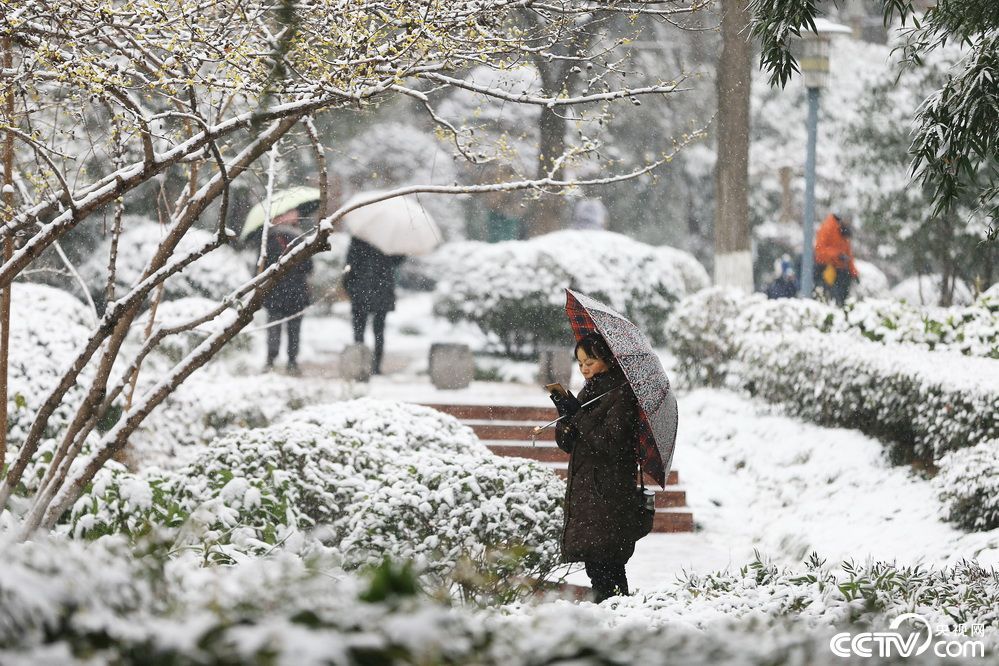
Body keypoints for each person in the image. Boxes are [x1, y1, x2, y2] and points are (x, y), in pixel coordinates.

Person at [554, 332, 643, 603]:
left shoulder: (621, 394)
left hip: (608, 492)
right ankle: (612, 611)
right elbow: (570, 444)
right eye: (580, 362)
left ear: (607, 359)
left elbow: (609, 443)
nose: (584, 368)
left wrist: (578, 415)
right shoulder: (590, 391)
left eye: (590, 360)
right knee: (598, 566)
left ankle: (615, 614)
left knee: (608, 564)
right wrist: (565, 418)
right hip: (588, 492)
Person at [344, 237, 406, 374]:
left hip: (361, 291)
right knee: (378, 331)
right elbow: (397, 260)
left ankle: (360, 364)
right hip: (380, 290)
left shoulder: (358, 239)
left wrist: (349, 287)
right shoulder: (388, 240)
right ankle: (376, 366)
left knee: (360, 331)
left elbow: (349, 265)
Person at [263, 208, 314, 375]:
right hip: (296, 293)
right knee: (294, 329)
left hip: (274, 292)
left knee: (274, 327)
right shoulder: (300, 239)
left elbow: (262, 267)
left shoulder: (268, 239)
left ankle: (270, 360)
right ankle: (292, 362)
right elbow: (309, 267)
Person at [814, 213, 859, 305]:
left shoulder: (844, 231)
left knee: (842, 294)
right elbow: (820, 250)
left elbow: (848, 254)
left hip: (840, 270)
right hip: (826, 268)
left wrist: (854, 272)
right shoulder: (828, 227)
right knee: (826, 295)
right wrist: (837, 255)